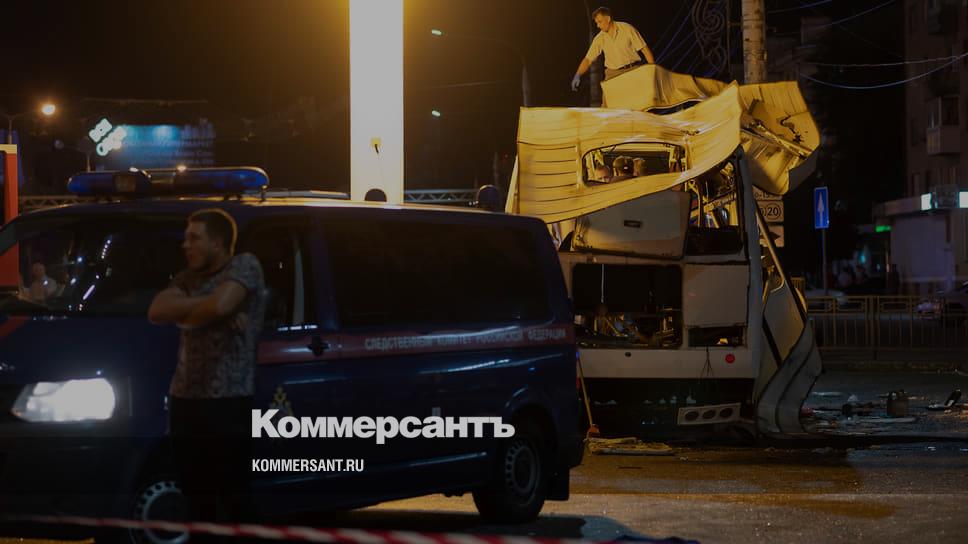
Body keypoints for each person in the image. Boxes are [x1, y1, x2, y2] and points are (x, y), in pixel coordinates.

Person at [147, 208, 266, 528]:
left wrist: (189, 313)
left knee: (233, 497)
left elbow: (220, 305)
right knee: (196, 500)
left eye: (194, 238)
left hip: (227, 401)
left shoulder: (244, 265)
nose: (185, 245)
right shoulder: (188, 277)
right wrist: (208, 310)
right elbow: (157, 310)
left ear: (217, 242)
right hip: (186, 402)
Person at [571, 6, 655, 92]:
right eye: (596, 23)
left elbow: (645, 50)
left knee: (638, 97)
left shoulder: (627, 28)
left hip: (632, 69)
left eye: (600, 22)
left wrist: (653, 71)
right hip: (613, 74)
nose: (598, 26)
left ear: (608, 19)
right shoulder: (599, 38)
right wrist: (578, 74)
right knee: (608, 100)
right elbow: (588, 59)